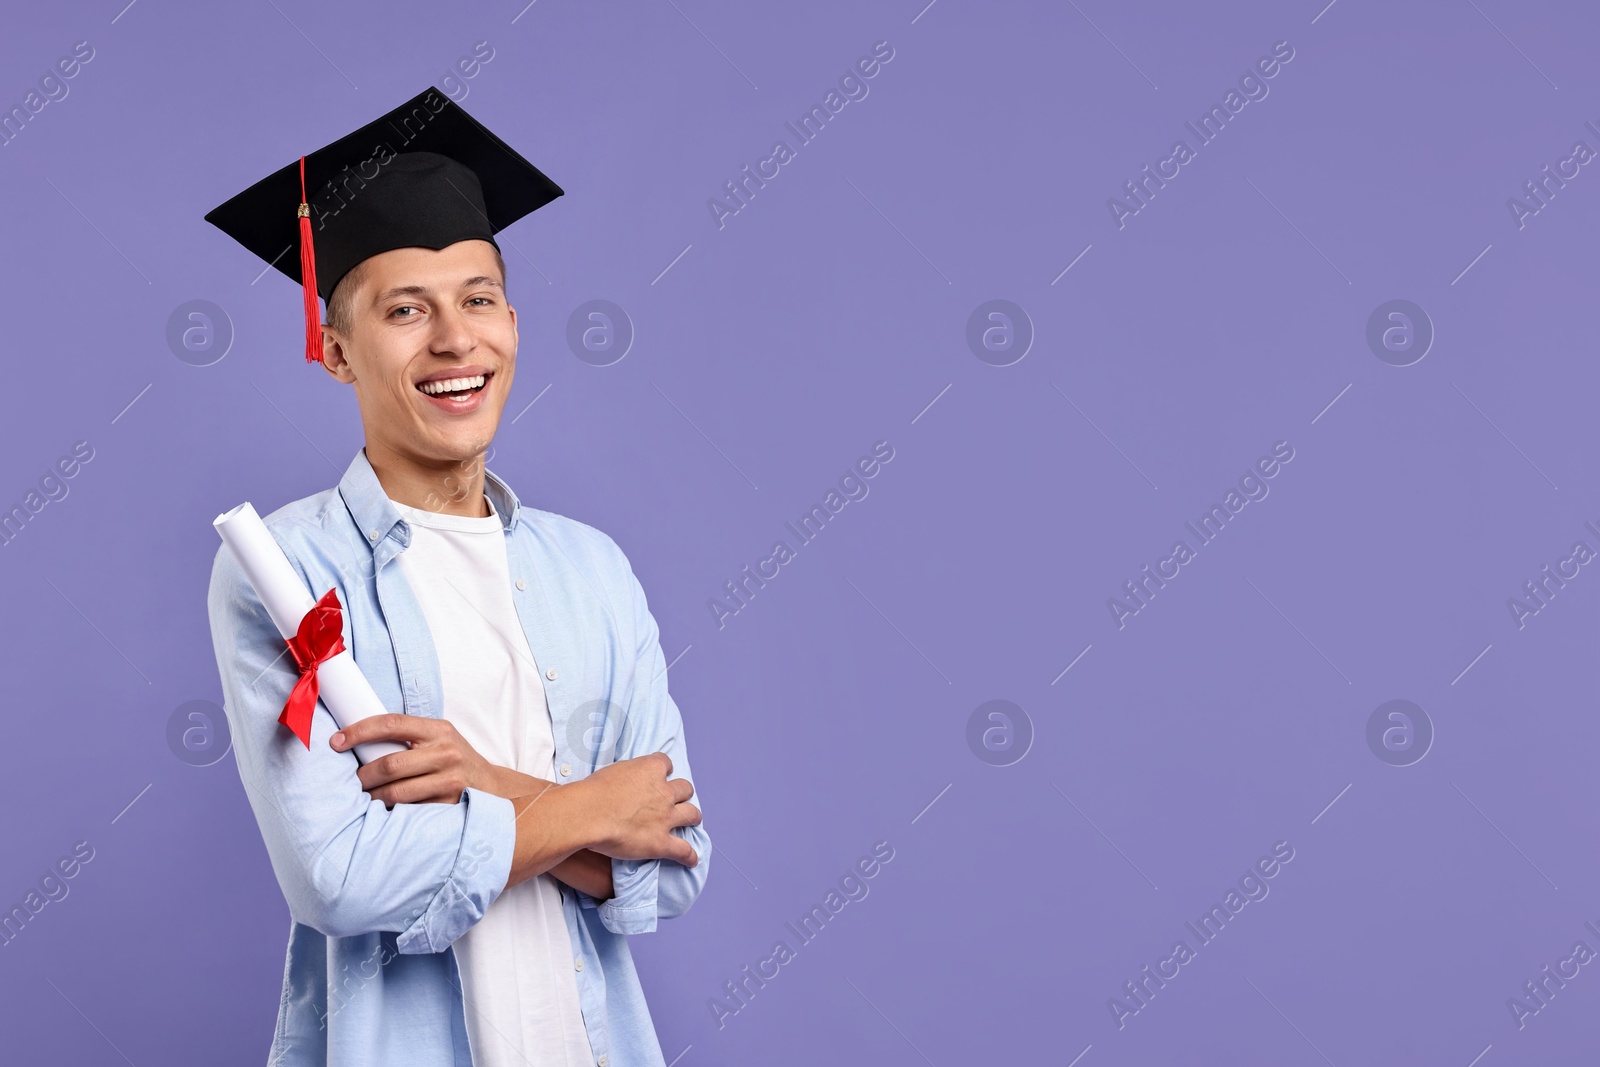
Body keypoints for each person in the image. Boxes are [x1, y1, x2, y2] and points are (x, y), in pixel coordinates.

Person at [203, 86, 711, 1067]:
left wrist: (482, 781)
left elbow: (679, 860)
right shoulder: (282, 568)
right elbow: (339, 876)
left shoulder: (590, 567)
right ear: (337, 352)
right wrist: (596, 809)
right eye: (405, 309)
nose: (453, 339)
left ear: (511, 320)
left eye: (477, 298)